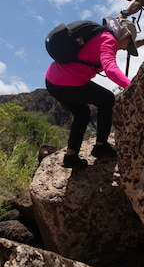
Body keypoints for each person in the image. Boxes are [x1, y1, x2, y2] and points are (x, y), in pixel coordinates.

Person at [45, 18, 138, 169]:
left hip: (52, 82)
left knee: (82, 113)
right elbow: (110, 68)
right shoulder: (108, 40)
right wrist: (133, 87)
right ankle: (101, 147)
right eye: (129, 44)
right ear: (125, 36)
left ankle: (71, 157)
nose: (125, 48)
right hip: (67, 82)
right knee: (107, 99)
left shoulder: (98, 35)